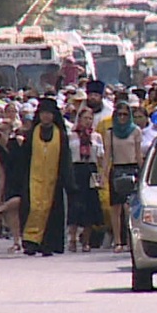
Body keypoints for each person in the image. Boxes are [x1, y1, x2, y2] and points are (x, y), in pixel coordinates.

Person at [8, 97, 73, 256]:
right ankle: (30, 242)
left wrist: (68, 180)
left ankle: (48, 244)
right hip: (33, 180)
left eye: (49, 113)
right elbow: (24, 157)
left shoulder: (61, 135)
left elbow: (65, 159)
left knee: (51, 212)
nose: (46, 117)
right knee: (33, 208)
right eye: (43, 113)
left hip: (53, 181)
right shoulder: (32, 134)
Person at [102, 100, 143, 253]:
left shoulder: (135, 131)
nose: (122, 118)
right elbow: (107, 156)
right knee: (116, 208)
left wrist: (143, 171)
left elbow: (138, 154)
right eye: (119, 114)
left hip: (132, 168)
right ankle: (118, 241)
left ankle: (130, 240)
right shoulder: (110, 133)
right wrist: (103, 175)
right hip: (117, 168)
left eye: (125, 114)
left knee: (130, 208)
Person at [67, 106, 105, 252]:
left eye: (90, 118)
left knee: (90, 206)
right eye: (85, 118)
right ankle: (72, 239)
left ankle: (86, 241)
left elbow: (100, 156)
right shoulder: (72, 136)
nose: (88, 121)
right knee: (75, 205)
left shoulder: (96, 137)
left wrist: (101, 174)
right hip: (76, 170)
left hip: (91, 170)